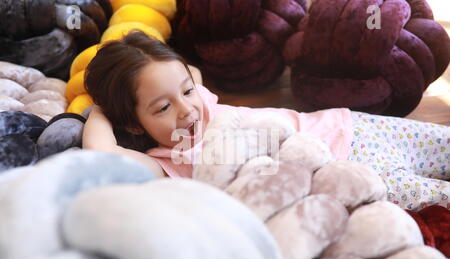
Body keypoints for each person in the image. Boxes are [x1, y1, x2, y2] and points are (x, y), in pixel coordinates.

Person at [83, 31, 450, 211]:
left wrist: (169, 89)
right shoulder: (168, 164)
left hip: (350, 126)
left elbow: (186, 72)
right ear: (132, 124)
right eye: (162, 108)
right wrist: (99, 108)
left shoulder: (199, 101)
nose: (186, 110)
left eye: (187, 91)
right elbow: (101, 152)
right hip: (353, 174)